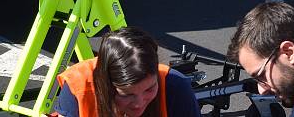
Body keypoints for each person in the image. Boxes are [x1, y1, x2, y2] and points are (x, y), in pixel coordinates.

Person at [53, 26, 201, 117]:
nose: (138, 103)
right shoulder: (78, 89)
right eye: (127, 94)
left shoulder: (175, 87)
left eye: (149, 89)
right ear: (106, 84)